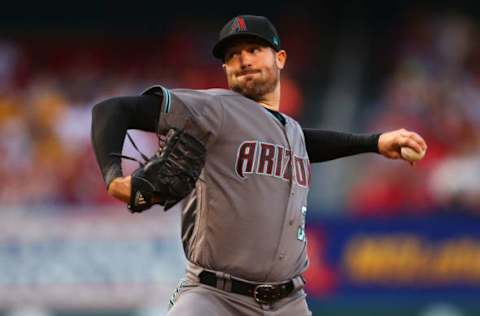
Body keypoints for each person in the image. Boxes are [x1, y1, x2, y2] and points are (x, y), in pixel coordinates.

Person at [91, 15, 427, 316]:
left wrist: (374, 143)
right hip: (214, 297)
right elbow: (110, 110)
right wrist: (113, 179)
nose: (243, 60)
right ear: (225, 69)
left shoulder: (290, 130)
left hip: (288, 301)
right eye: (233, 55)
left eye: (254, 49)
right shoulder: (214, 108)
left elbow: (305, 142)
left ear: (280, 58)